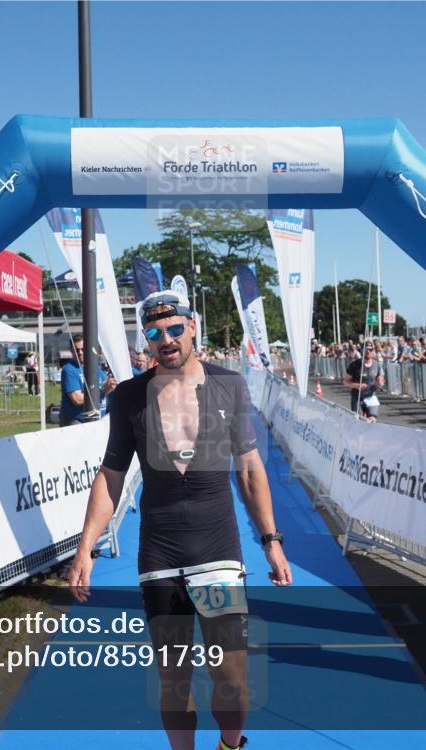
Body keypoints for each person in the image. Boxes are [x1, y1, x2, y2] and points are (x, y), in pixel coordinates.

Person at [69, 290, 292, 750]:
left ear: (193, 327)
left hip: (217, 553)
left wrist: (271, 539)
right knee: (173, 682)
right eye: (153, 332)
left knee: (231, 681)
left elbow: (250, 468)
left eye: (173, 328)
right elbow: (111, 477)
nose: (165, 339)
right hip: (161, 557)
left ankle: (230, 744)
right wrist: (85, 548)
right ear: (145, 340)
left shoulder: (228, 384)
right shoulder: (130, 396)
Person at [59, 335, 117, 427]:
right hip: (77, 422)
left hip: (98, 420)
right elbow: (77, 399)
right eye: (76, 350)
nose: (80, 352)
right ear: (71, 350)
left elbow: (107, 387)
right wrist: (102, 391)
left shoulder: (95, 367)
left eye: (83, 349)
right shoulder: (69, 369)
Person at [344, 343, 385, 421]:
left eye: (370, 349)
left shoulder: (376, 364)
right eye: (366, 349)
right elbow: (345, 381)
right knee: (358, 420)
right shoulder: (355, 365)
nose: (368, 351)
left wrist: (380, 382)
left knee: (372, 419)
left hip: (371, 396)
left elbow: (380, 378)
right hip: (357, 397)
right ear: (362, 351)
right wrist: (357, 385)